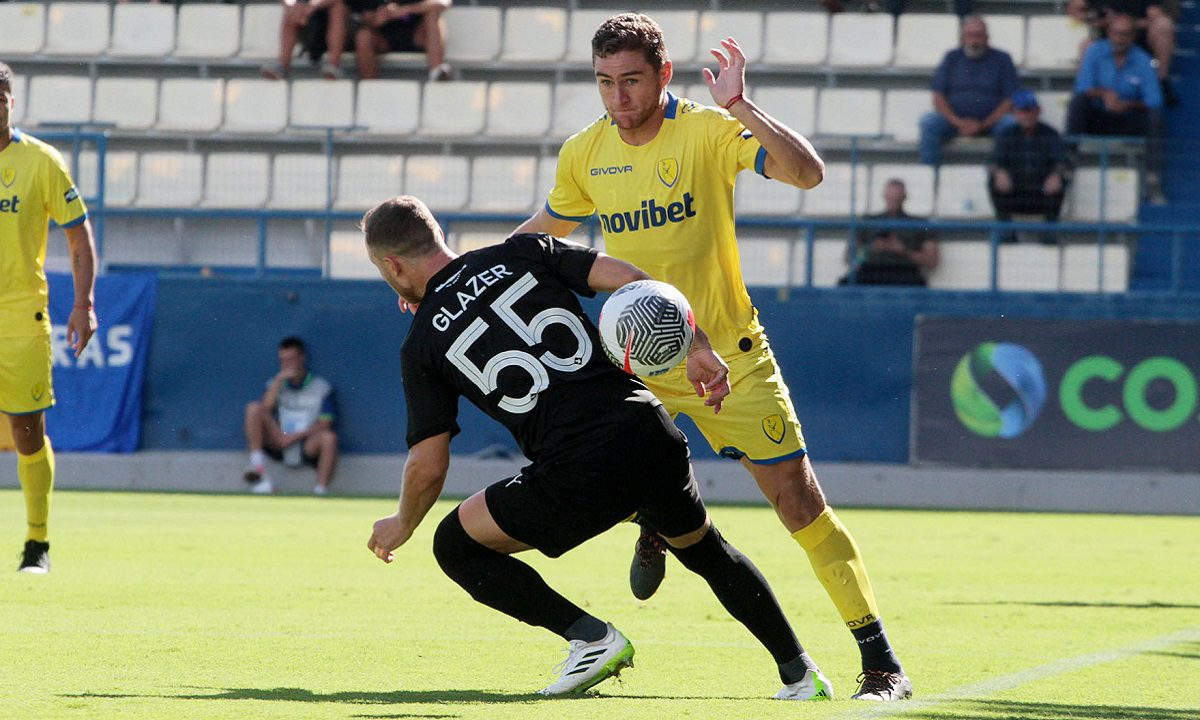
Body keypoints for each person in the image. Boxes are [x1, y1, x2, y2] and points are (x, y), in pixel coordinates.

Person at [512, 14, 912, 701]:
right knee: (592, 470)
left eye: (631, 80)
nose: (618, 97)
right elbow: (540, 235)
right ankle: (656, 513)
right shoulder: (584, 151)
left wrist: (741, 106)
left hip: (730, 356)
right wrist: (449, 279)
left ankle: (881, 663)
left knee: (798, 502)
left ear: (664, 74)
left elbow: (807, 174)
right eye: (604, 82)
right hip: (637, 365)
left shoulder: (706, 130)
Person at [362, 194, 835, 699]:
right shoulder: (522, 250)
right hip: (648, 430)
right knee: (707, 551)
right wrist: (697, 346)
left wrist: (403, 522)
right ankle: (801, 674)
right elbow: (634, 281)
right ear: (436, 235)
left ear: (393, 265)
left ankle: (591, 639)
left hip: (580, 470)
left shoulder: (421, 343)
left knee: (455, 545)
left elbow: (429, 463)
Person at [0, 61, 99, 574]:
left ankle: (37, 541)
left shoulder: (41, 161)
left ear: (12, 102)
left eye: (0, 98)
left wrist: (83, 304)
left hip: (21, 316)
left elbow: (78, 236)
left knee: (26, 432)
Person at [1067, 13, 1166, 203]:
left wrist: (1125, 104)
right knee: (1078, 103)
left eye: (1125, 34)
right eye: (1116, 33)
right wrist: (1104, 94)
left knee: (1155, 117)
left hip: (1127, 118)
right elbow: (1083, 87)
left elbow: (1154, 100)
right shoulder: (1095, 51)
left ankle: (1152, 178)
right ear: (1109, 33)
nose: (1120, 39)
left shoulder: (1143, 59)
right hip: (1098, 117)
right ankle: (1068, 159)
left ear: (1133, 36)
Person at [242, 336, 339, 495]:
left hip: (306, 441)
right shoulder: (276, 384)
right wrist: (279, 380)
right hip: (279, 439)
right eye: (283, 361)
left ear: (302, 358)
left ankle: (320, 491)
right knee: (253, 408)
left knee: (329, 438)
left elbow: (325, 424)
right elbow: (265, 408)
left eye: (291, 360)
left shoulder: (322, 387)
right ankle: (258, 466)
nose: (287, 365)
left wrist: (292, 437)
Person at [919, 15, 1019, 166]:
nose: (974, 41)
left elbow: (1010, 99)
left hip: (993, 122)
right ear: (962, 38)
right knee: (928, 122)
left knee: (1011, 124)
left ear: (987, 37)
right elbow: (938, 97)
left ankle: (1002, 175)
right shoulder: (951, 58)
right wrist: (959, 123)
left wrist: (984, 124)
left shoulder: (1002, 59)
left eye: (978, 35)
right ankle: (930, 175)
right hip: (954, 122)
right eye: (969, 35)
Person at [989, 90, 1072, 243]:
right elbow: (993, 161)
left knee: (1060, 180)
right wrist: (999, 171)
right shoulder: (1006, 134)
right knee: (994, 180)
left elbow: (1063, 161)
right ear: (1015, 113)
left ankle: (1050, 231)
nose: (1027, 115)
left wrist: (1056, 174)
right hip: (1014, 191)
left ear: (1038, 111)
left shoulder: (1051, 134)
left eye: (1030, 110)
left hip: (1042, 192)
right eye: (1022, 111)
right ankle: (1006, 230)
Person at [1066, 0, 1178, 105]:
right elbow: (1075, 9)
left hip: (1138, 37)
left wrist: (1124, 23)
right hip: (1106, 40)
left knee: (1163, 24)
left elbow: (1155, 18)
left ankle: (1161, 80)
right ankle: (1084, 96)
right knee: (1086, 46)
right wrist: (1092, 18)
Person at [842, 179, 938, 286]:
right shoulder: (867, 222)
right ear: (884, 196)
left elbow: (932, 261)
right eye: (891, 197)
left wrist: (903, 251)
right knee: (844, 285)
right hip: (871, 272)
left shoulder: (919, 224)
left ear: (904, 197)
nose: (894, 199)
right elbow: (849, 257)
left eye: (897, 197)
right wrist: (871, 249)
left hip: (905, 272)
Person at [354, 0, 452, 81]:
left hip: (418, 36)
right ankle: (370, 86)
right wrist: (377, 19)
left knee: (433, 14)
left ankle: (437, 72)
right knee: (363, 36)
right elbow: (364, 17)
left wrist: (406, 10)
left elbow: (443, 3)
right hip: (385, 39)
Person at [261, 0, 353, 80]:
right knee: (292, 11)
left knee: (338, 8)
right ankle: (282, 65)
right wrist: (291, 7)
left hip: (347, 29)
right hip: (311, 25)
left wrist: (311, 7)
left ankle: (334, 65)